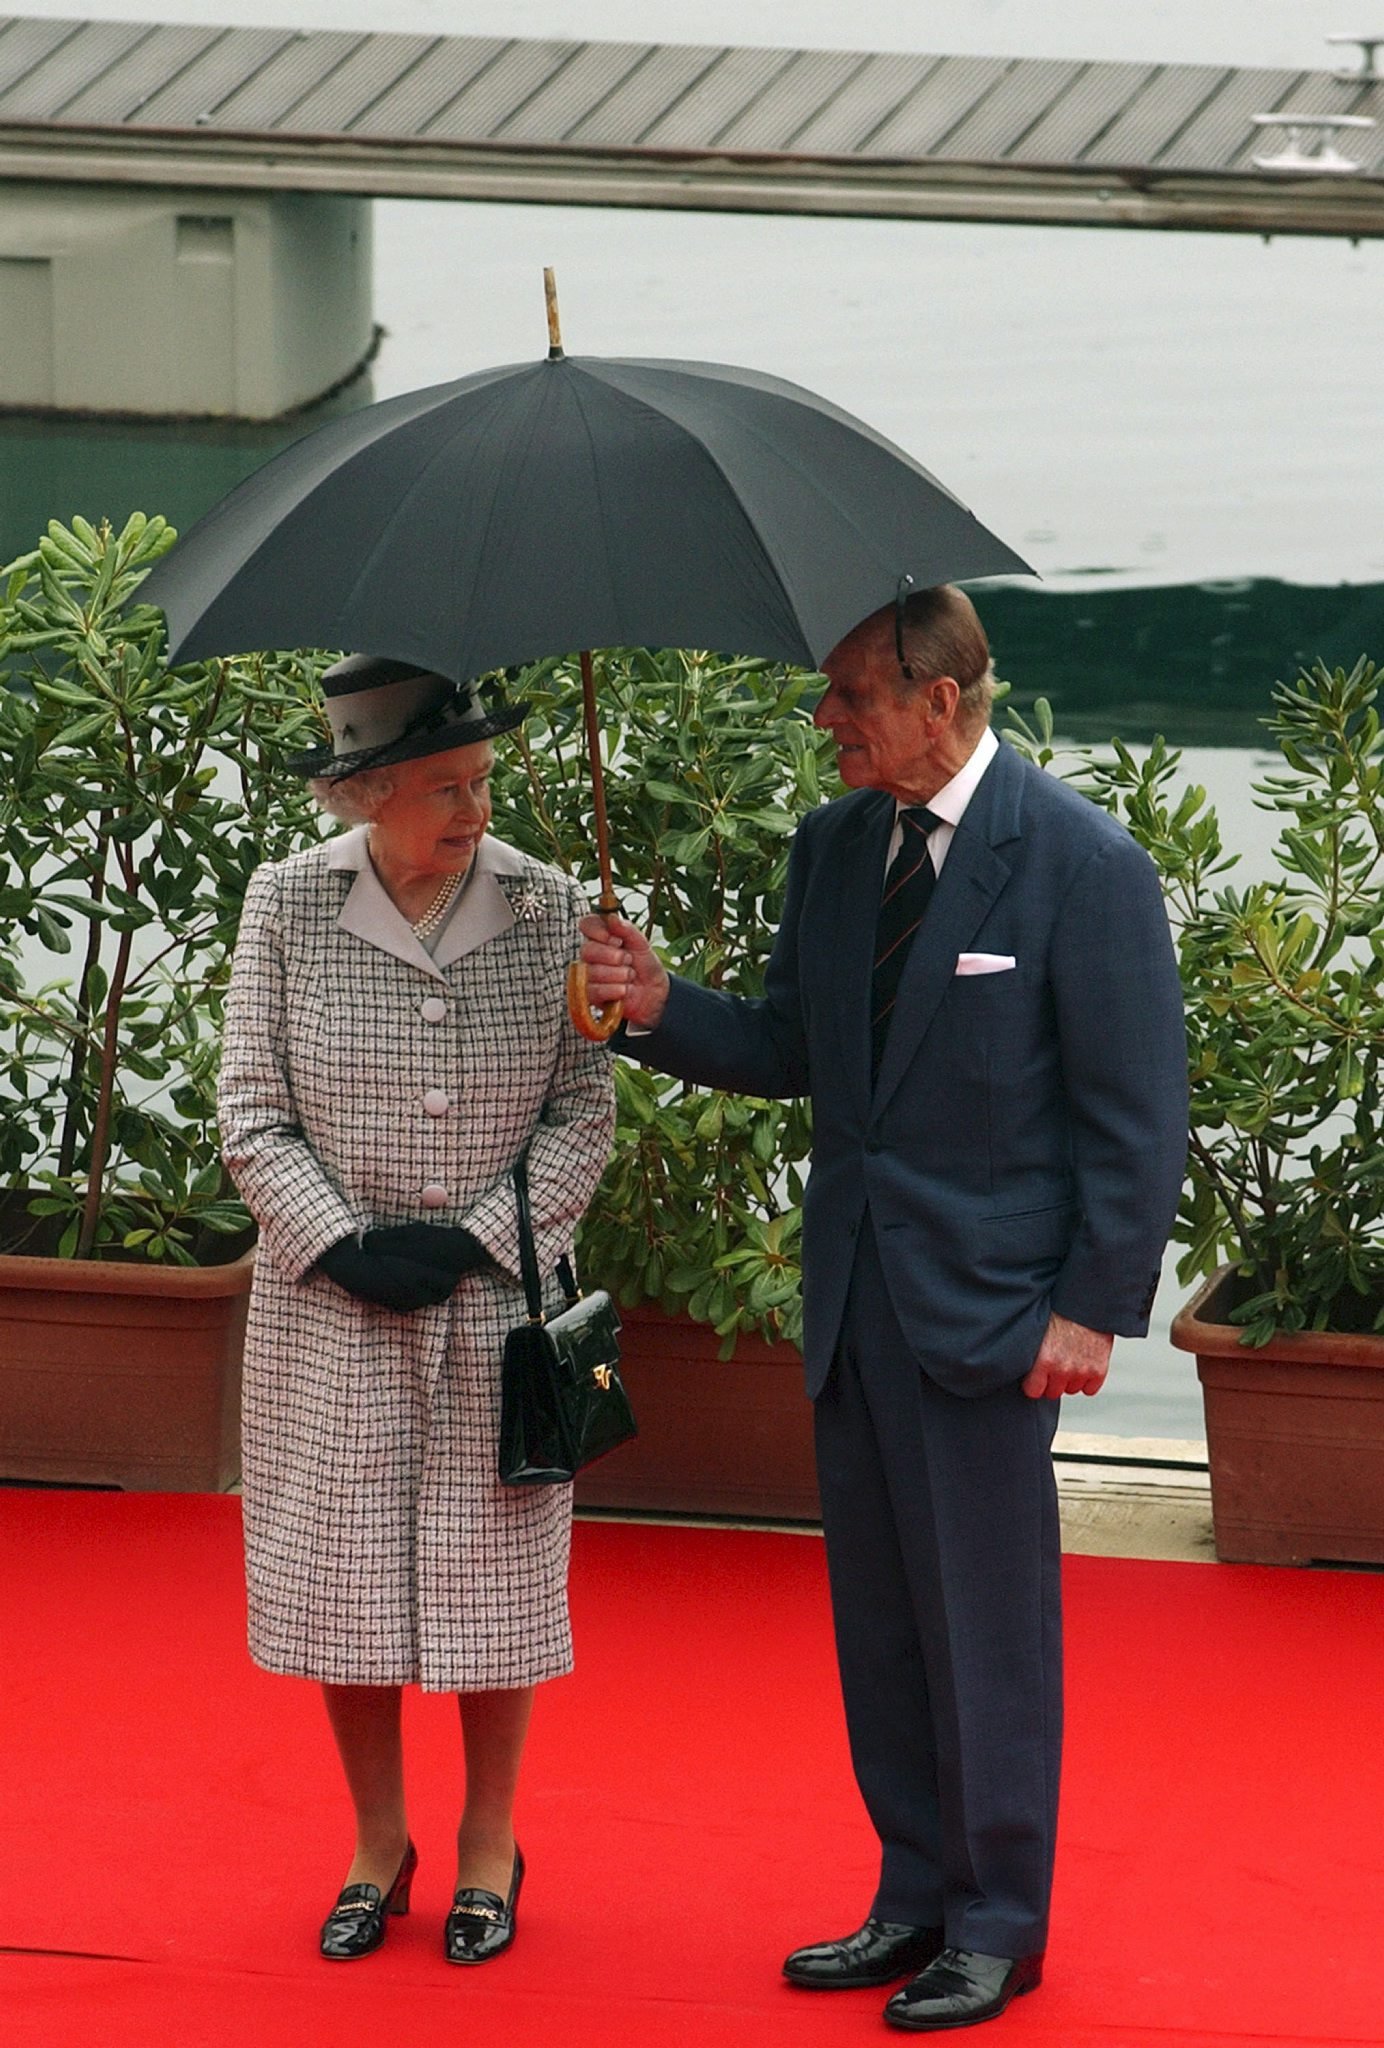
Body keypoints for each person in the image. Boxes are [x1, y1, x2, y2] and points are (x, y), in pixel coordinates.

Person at [579, 585, 1187, 2032]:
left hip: (993, 1315)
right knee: (887, 1631)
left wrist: (1093, 1310)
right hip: (855, 1302)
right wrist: (661, 1002)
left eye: (851, 696)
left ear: (943, 698)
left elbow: (1135, 1112)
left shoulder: (1082, 864)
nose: (824, 722)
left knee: (988, 1632)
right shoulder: (834, 849)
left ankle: (998, 1920)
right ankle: (912, 1895)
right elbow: (798, 1047)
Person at [218, 655, 614, 1966]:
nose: (472, 811)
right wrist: (340, 1245)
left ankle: (490, 1841)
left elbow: (581, 1121)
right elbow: (250, 1116)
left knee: (494, 1587)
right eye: (443, 788)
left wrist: (479, 1240)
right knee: (343, 1585)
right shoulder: (283, 905)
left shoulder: (554, 908)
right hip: (331, 1315)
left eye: (482, 783)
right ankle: (377, 1843)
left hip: (500, 1311)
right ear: (359, 793)